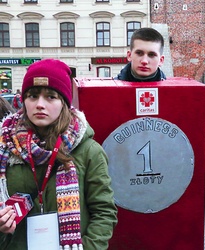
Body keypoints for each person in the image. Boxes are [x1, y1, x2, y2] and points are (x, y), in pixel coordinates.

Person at [0, 59, 118, 249]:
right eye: (32, 96)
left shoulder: (89, 152)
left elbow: (104, 213)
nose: (40, 104)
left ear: (64, 102)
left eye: (51, 97)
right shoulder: (5, 147)